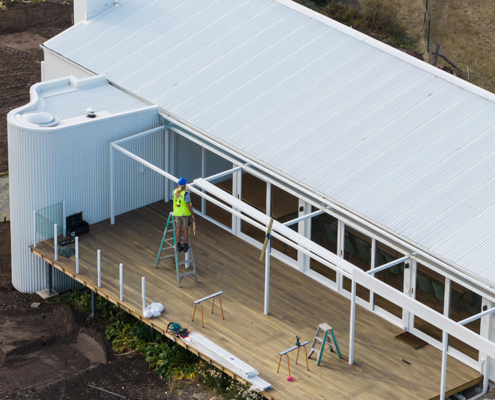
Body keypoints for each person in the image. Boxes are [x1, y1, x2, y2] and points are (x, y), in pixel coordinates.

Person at [173, 177, 195, 253]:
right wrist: (192, 214)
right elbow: (188, 205)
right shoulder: (186, 194)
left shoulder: (174, 192)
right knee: (185, 230)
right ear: (185, 185)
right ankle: (185, 245)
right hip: (185, 214)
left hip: (177, 213)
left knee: (178, 229)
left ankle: (178, 245)